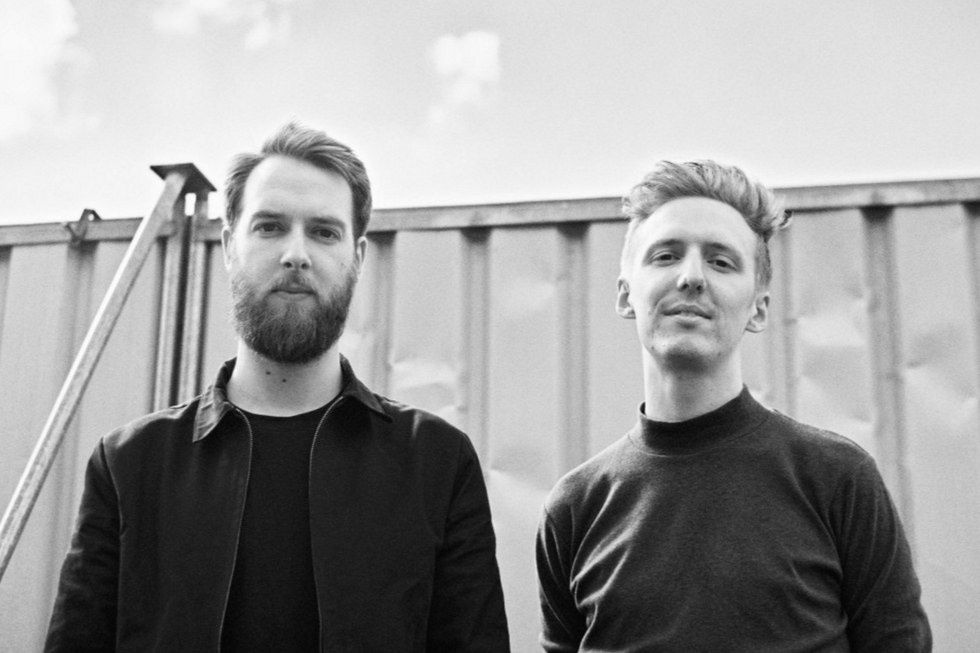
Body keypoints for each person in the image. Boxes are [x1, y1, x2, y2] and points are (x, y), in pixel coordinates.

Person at [45, 122, 510, 652]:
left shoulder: (436, 462)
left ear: (358, 257)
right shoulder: (129, 465)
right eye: (269, 227)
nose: (296, 254)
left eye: (324, 232)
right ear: (229, 246)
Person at [535, 160, 931, 651]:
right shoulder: (574, 509)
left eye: (721, 262)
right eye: (665, 256)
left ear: (758, 308)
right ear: (625, 295)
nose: (691, 277)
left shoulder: (837, 479)